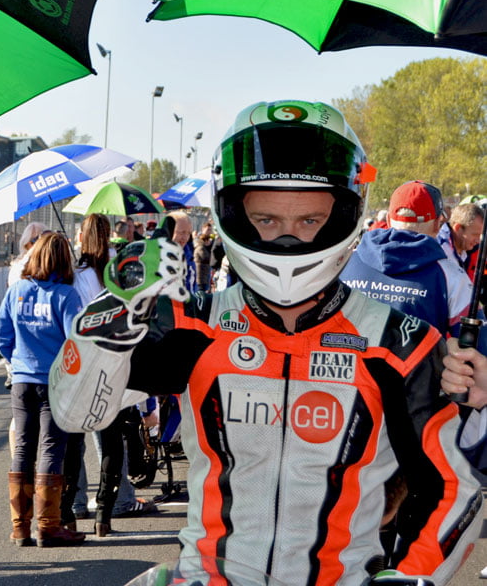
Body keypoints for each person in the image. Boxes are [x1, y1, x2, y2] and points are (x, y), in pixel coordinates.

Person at [47, 100, 481, 584]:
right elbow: (75, 414)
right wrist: (107, 325)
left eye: (309, 221)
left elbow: (452, 486)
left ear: (345, 214)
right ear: (234, 212)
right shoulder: (192, 324)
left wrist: (411, 576)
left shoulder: (400, 344)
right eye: (267, 220)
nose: (288, 239)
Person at [65, 213, 155, 537]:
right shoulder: (115, 269)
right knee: (110, 442)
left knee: (75, 443)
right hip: (113, 362)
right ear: (108, 237)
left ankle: (73, 507)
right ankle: (107, 508)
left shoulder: (78, 274)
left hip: (84, 365)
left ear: (82, 237)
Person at [0, 231, 85, 548]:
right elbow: (78, 341)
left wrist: (18, 362)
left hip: (21, 381)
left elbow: (2, 339)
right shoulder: (67, 296)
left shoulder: (16, 290)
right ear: (64, 260)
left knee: (23, 449)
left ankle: (20, 528)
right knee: (51, 449)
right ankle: (48, 526)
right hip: (55, 383)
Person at [341, 180, 472, 337]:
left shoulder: (343, 262)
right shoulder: (452, 276)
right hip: (420, 360)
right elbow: (475, 344)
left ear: (388, 220)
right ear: (437, 224)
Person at [438, 202, 484, 276]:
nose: (478, 240)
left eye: (480, 235)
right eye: (475, 235)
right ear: (458, 228)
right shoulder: (439, 251)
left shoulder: (470, 249)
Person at [8, 222, 50, 287]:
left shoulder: (55, 267)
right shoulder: (18, 269)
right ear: (26, 245)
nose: (40, 246)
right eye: (35, 241)